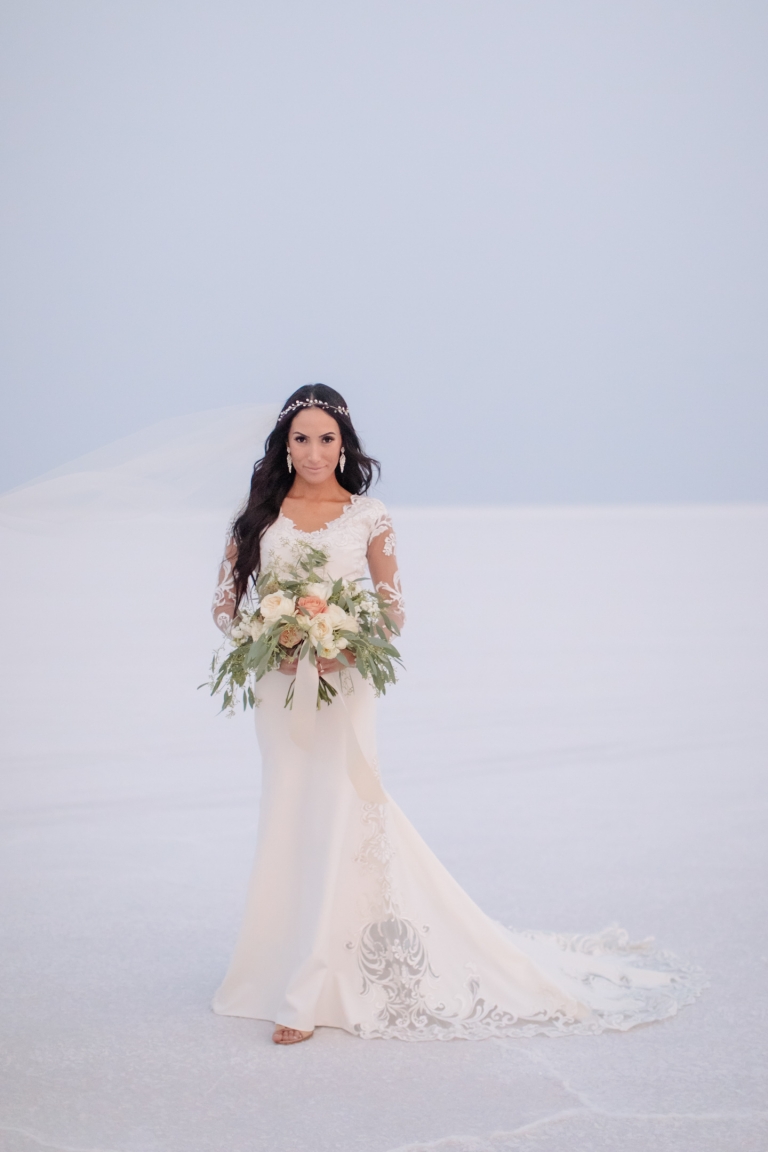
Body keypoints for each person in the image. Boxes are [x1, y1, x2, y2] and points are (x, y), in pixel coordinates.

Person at [211, 384, 704, 1045]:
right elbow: (224, 604)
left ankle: (313, 984)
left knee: (341, 810)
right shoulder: (257, 517)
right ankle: (271, 968)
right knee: (287, 814)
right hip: (279, 691)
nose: (315, 451)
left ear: (344, 444)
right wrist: (269, 640)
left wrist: (341, 645)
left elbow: (392, 610)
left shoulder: (368, 515)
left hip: (344, 684)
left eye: (327, 438)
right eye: (302, 438)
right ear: (284, 445)